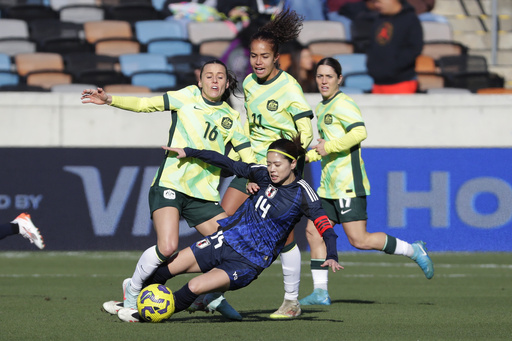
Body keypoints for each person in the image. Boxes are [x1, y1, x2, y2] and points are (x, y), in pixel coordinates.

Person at [81, 59, 256, 321]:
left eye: (220, 76)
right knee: (168, 246)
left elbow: (246, 153)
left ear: (228, 83)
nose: (215, 81)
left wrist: (255, 175)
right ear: (200, 80)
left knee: (233, 248)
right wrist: (109, 100)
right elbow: (143, 105)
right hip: (170, 183)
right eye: (209, 76)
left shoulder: (231, 117)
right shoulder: (185, 97)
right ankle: (132, 295)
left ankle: (211, 296)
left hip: (205, 196)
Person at [117, 135, 343, 322]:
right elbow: (229, 163)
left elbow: (324, 225)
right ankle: (131, 301)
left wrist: (331, 252)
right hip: (224, 240)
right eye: (269, 163)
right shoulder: (263, 175)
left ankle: (146, 314)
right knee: (168, 268)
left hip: (248, 261)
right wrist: (191, 152)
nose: (271, 169)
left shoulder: (303, 192)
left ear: (293, 164)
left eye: (277, 165)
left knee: (195, 286)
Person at [297, 57, 434, 306]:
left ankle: (413, 250)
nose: (323, 81)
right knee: (313, 232)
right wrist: (305, 157)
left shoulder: (344, 104)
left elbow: (359, 132)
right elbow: (325, 148)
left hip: (348, 183)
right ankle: (320, 292)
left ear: (340, 78)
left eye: (329, 76)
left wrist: (329, 147)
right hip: (328, 186)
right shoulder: (322, 107)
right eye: (319, 76)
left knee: (359, 240)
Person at [220, 9, 315, 319]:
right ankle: (214, 290)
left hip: (279, 169)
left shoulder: (289, 88)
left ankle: (291, 301)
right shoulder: (248, 82)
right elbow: (250, 123)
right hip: (252, 164)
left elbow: (306, 129)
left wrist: (290, 159)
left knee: (284, 236)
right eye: (253, 55)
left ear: (277, 58)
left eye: (264, 56)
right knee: (226, 216)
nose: (257, 61)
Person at [366, 0, 423, 94]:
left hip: (402, 83)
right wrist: (372, 68)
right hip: (378, 83)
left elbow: (414, 48)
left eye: (379, 2)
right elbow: (371, 47)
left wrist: (392, 67)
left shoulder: (410, 19)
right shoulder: (378, 19)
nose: (376, 5)